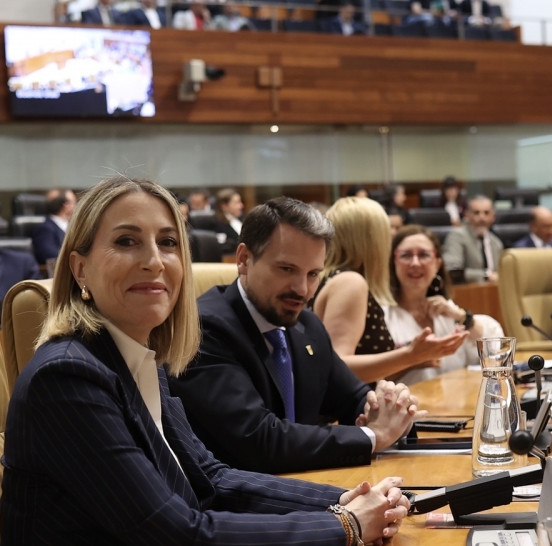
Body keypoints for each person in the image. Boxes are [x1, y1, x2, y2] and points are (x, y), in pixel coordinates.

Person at [0, 178, 410, 546]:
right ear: (80, 268)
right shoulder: (68, 377)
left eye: (167, 243)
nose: (154, 262)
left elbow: (212, 479)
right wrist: (343, 529)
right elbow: (179, 537)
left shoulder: (135, 358)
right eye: (127, 242)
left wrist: (345, 500)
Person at [171, 196, 418, 473]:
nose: (302, 289)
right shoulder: (205, 330)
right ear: (243, 259)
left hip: (310, 488)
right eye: (287, 269)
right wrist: (373, 436)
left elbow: (352, 398)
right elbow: (261, 441)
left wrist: (386, 407)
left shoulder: (307, 325)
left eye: (313, 274)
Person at [313, 197, 465, 383]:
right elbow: (337, 368)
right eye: (385, 234)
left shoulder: (331, 277)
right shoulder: (350, 282)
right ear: (370, 239)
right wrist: (410, 356)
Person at [386, 225, 504, 384]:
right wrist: (411, 360)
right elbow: (366, 379)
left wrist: (461, 316)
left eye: (424, 255)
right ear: (394, 263)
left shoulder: (447, 310)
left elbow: (495, 350)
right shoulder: (383, 314)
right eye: (406, 255)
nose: (415, 263)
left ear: (438, 264)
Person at [442, 195, 502, 283]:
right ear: (467, 215)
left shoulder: (496, 243)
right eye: (476, 213)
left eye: (486, 213)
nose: (482, 218)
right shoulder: (457, 236)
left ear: (493, 217)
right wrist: (485, 275)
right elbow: (452, 271)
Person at [31, 187, 75, 266]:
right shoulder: (45, 229)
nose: (75, 206)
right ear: (66, 206)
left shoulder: (73, 226)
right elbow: (49, 256)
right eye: (73, 202)